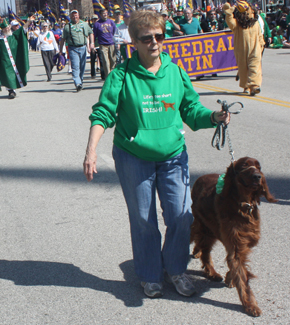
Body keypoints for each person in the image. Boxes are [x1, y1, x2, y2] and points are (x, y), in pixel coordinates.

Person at [83, 10, 230, 299]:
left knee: (180, 216)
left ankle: (176, 269)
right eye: (147, 37)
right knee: (143, 219)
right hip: (133, 156)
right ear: (133, 42)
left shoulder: (175, 72)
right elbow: (103, 113)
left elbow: (191, 110)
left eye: (159, 36)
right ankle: (150, 275)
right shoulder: (121, 75)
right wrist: (91, 151)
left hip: (173, 156)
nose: (154, 42)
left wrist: (213, 117)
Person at [223, 1, 264, 95]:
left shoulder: (255, 22)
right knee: (243, 68)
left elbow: (259, 34)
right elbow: (230, 23)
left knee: (254, 67)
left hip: (255, 48)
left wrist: (261, 44)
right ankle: (246, 86)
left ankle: (254, 86)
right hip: (241, 49)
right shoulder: (237, 23)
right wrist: (228, 13)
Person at [0, 17, 35, 99]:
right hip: (5, 61)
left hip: (15, 59)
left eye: (8, 27)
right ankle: (11, 91)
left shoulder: (14, 35)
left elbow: (23, 29)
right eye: (6, 28)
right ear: (3, 29)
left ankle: (14, 88)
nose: (8, 29)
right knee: (8, 75)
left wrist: (29, 21)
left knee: (16, 73)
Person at [59, 9, 95, 92]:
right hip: (73, 48)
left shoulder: (84, 24)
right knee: (75, 67)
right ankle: (77, 83)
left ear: (78, 16)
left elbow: (91, 32)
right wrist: (60, 50)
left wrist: (92, 43)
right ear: (70, 17)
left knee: (82, 67)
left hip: (82, 48)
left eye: (76, 15)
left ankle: (80, 81)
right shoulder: (67, 27)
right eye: (73, 15)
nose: (75, 17)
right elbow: (63, 39)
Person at [93, 9, 117, 77]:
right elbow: (94, 35)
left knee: (113, 60)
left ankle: (112, 75)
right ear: (100, 15)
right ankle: (108, 77)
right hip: (103, 45)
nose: (105, 14)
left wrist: (117, 42)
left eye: (106, 13)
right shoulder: (97, 24)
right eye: (103, 13)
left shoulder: (111, 22)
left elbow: (115, 33)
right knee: (106, 62)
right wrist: (93, 45)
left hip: (111, 43)